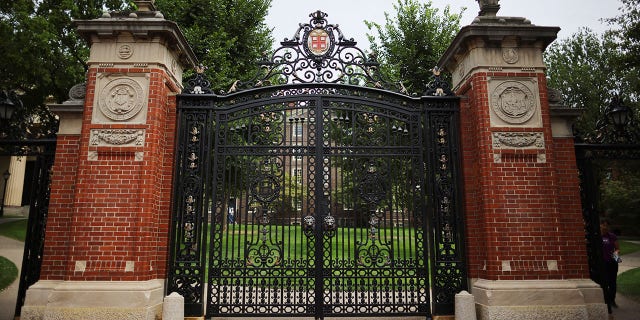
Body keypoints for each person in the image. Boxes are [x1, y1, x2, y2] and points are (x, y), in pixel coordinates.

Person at [600, 219, 620, 312]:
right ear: (600, 225)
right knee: (604, 282)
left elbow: (617, 249)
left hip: (612, 263)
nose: (605, 227)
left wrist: (616, 257)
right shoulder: (596, 237)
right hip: (602, 263)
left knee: (612, 283)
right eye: (603, 225)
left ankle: (612, 300)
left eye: (607, 225)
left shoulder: (612, 236)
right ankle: (605, 301)